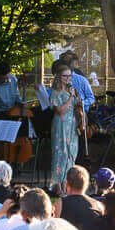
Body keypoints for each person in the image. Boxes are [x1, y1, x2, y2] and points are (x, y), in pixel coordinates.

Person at [38, 62, 84, 192]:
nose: (68, 79)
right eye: (65, 76)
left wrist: (78, 104)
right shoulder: (55, 92)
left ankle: (66, 184)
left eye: (70, 76)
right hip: (60, 125)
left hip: (72, 125)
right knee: (60, 154)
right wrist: (70, 97)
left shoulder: (72, 91)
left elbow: (75, 109)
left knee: (71, 154)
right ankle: (57, 186)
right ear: (59, 77)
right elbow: (60, 111)